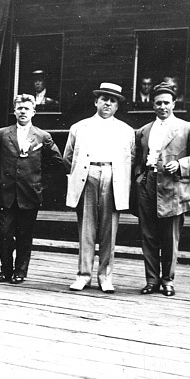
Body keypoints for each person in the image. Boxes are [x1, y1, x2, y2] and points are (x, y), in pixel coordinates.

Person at [133, 83, 190, 297]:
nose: (162, 107)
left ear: (174, 104)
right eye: (158, 103)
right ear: (152, 105)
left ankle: (167, 281)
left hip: (173, 187)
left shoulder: (188, 128)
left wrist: (181, 164)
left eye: (166, 103)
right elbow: (137, 159)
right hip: (148, 184)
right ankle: (152, 280)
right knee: (148, 235)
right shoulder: (144, 131)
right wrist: (140, 177)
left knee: (169, 237)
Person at [63, 83, 134, 293]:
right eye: (104, 99)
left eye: (112, 101)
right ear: (96, 101)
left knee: (109, 229)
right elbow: (68, 157)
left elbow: (131, 157)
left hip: (112, 177)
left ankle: (105, 276)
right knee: (86, 228)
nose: (107, 104)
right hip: (88, 175)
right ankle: (83, 276)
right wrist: (86, 172)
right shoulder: (79, 127)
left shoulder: (126, 131)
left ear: (117, 106)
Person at [0, 94, 62, 284]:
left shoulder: (42, 136)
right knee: (4, 234)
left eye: (26, 109)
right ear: (14, 110)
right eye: (19, 108)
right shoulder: (2, 134)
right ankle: (5, 270)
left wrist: (40, 181)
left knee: (25, 234)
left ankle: (20, 271)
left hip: (29, 193)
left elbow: (56, 162)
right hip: (6, 192)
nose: (23, 112)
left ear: (34, 112)